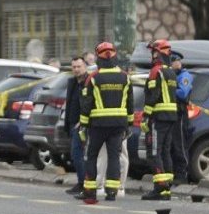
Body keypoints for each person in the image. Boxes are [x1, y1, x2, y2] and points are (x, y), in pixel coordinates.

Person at [77, 41, 132, 203]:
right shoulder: (124, 77)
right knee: (114, 156)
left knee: (92, 156)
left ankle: (90, 191)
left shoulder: (93, 78)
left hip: (98, 125)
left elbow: (86, 104)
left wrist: (83, 126)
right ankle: (112, 192)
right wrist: (129, 124)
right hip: (118, 125)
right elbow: (130, 103)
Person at [142, 39, 179, 200]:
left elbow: (153, 96)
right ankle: (166, 188)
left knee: (153, 152)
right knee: (164, 152)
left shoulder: (156, 71)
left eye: (154, 52)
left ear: (158, 53)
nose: (152, 55)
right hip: (171, 117)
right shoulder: (171, 72)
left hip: (158, 118)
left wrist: (146, 116)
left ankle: (160, 188)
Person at [63, 55, 90, 196]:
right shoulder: (72, 82)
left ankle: (84, 183)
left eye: (79, 66)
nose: (76, 69)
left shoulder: (89, 82)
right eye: (74, 67)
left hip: (84, 124)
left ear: (85, 67)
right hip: (73, 123)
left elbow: (90, 103)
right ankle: (82, 182)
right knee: (75, 154)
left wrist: (83, 121)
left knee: (78, 153)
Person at [170, 51, 193, 184]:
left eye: (176, 61)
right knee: (172, 145)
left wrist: (169, 89)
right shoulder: (173, 76)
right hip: (172, 112)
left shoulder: (184, 76)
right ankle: (174, 173)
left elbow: (183, 93)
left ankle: (182, 174)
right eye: (173, 61)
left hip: (180, 113)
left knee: (180, 144)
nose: (175, 63)